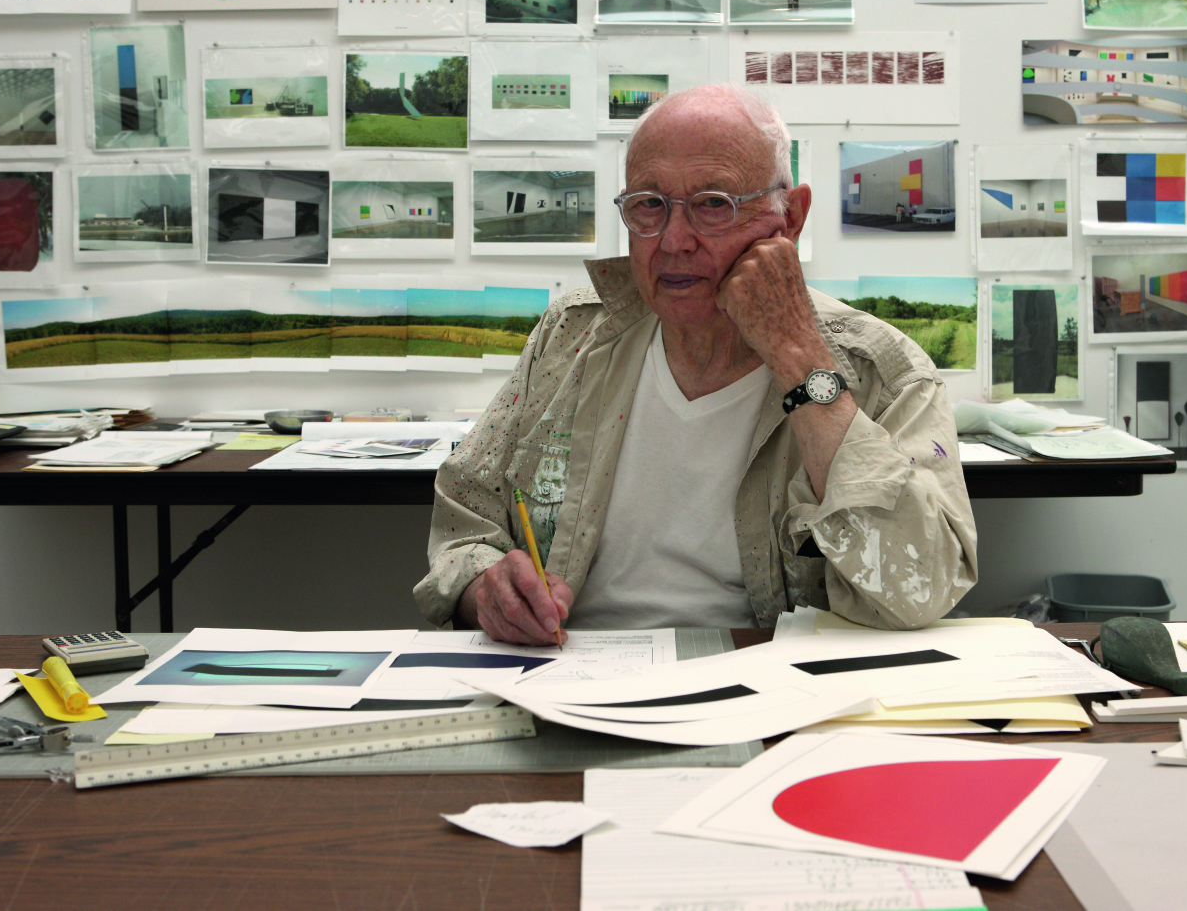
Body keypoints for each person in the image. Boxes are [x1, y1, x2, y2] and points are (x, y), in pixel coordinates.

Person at [417, 84, 977, 644]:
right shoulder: (572, 336)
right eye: (649, 206)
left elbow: (921, 588)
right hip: (568, 672)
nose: (674, 240)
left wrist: (799, 358)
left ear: (791, 216)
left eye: (714, 204)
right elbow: (465, 519)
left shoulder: (884, 369)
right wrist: (481, 587)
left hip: (774, 690)